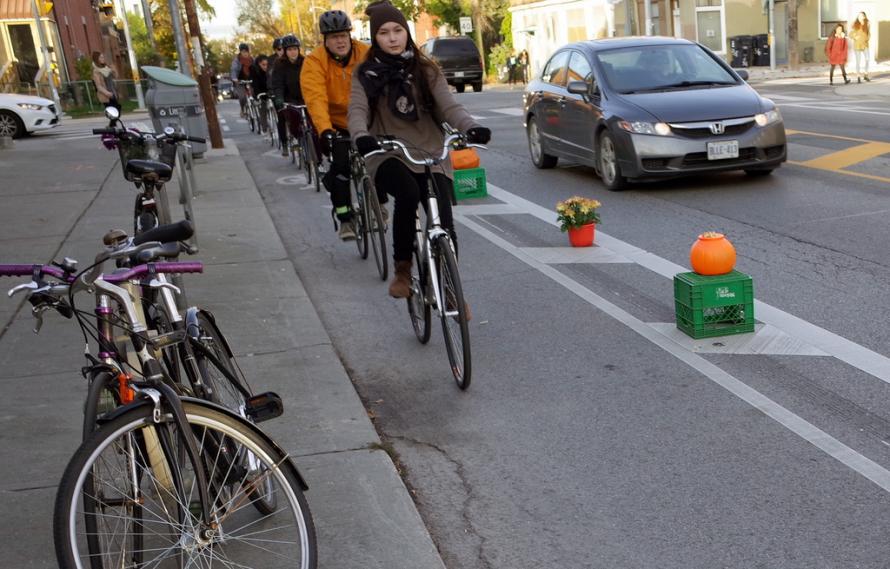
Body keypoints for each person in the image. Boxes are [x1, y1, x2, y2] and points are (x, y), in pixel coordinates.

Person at [349, 1, 491, 299]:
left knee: (444, 220)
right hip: (387, 150)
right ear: (375, 37)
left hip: (429, 150)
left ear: (407, 32)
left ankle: (445, 286)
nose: (392, 37)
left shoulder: (426, 69)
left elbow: (449, 106)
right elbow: (358, 111)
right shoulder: (365, 74)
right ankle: (403, 270)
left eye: (398, 30)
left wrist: (469, 126)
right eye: (384, 32)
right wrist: (362, 136)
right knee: (408, 194)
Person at [301, 10, 370, 241]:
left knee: (381, 159)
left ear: (350, 35)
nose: (339, 41)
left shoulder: (365, 53)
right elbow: (315, 97)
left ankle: (378, 202)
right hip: (335, 123)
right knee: (340, 170)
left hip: (366, 118)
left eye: (343, 35)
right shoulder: (314, 61)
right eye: (333, 37)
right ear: (325, 40)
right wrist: (325, 130)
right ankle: (345, 219)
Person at [272, 34, 307, 157]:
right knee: (289, 119)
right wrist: (279, 98)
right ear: (285, 51)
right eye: (290, 50)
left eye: (295, 49)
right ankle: (290, 141)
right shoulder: (279, 64)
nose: (293, 52)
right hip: (289, 98)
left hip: (305, 96)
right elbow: (278, 84)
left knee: (313, 124)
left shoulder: (306, 62)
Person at [230, 43, 254, 117]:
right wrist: (234, 79)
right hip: (239, 81)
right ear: (240, 52)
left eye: (246, 51)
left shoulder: (252, 59)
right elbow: (233, 70)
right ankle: (243, 109)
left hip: (250, 79)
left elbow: (257, 69)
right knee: (242, 97)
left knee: (254, 94)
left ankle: (254, 109)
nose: (245, 53)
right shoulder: (236, 61)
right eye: (243, 52)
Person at [251, 55, 271, 132]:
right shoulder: (255, 71)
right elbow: (255, 85)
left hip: (270, 91)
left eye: (267, 64)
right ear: (258, 64)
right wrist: (258, 95)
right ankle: (264, 129)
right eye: (263, 64)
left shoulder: (271, 70)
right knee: (262, 108)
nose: (265, 67)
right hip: (260, 92)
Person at [850, 12, 871, 83]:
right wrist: (855, 37)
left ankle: (865, 74)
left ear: (864, 17)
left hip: (865, 45)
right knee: (858, 61)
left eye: (861, 16)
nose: (860, 17)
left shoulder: (867, 24)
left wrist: (867, 39)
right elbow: (850, 34)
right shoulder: (855, 24)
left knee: (867, 59)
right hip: (857, 45)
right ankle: (858, 76)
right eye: (859, 16)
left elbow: (869, 33)